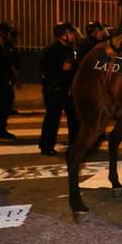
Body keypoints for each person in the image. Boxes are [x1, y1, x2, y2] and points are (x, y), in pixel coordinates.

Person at [38, 22, 79, 157]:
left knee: (73, 116)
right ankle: (46, 146)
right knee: (52, 118)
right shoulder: (52, 50)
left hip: (67, 88)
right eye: (70, 33)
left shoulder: (69, 49)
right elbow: (45, 68)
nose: (73, 35)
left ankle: (75, 143)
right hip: (54, 88)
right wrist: (61, 68)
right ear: (62, 35)